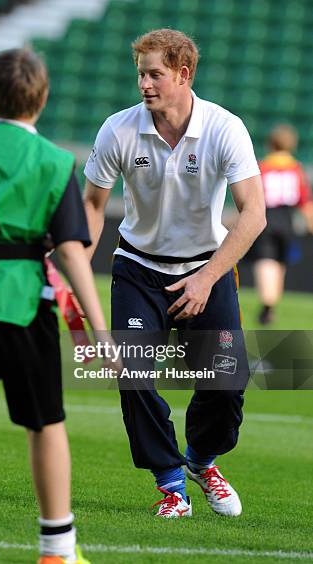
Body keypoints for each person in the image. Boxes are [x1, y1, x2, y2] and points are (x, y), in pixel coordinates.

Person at [0, 48, 118, 564]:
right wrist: (100, 331)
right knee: (45, 422)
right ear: (43, 97)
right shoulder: (55, 161)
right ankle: (56, 546)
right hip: (22, 301)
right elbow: (71, 251)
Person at [83, 29, 266, 519]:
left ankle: (202, 463)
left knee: (227, 382)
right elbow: (93, 207)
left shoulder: (226, 128)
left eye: (154, 74)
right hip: (138, 269)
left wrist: (206, 279)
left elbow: (253, 214)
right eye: (140, 73)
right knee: (134, 375)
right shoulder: (117, 129)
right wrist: (74, 260)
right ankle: (171, 485)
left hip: (207, 268)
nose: (144, 83)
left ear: (184, 75)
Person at [251, 124, 313, 324]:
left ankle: (267, 305)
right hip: (287, 219)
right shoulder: (296, 169)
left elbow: (252, 197)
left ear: (270, 143)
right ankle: (272, 304)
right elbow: (305, 202)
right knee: (280, 262)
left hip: (266, 217)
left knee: (265, 260)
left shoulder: (262, 166)